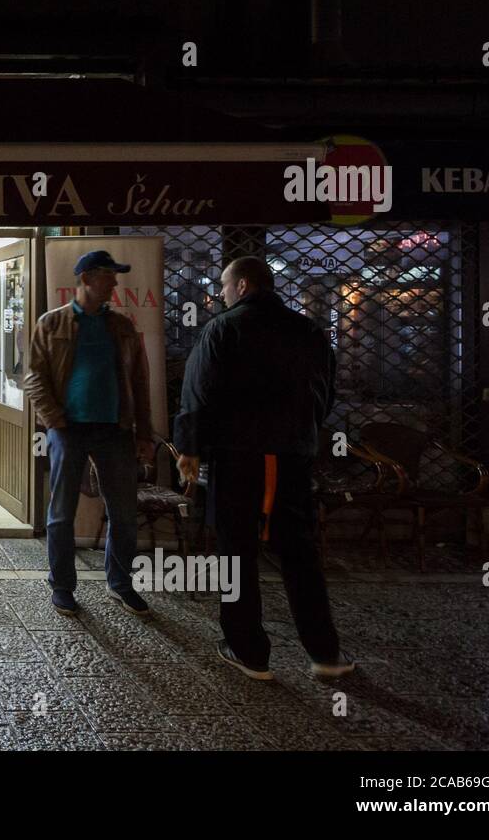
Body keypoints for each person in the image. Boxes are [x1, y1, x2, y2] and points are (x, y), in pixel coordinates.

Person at [174, 256, 355, 680]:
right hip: (293, 456)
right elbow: (325, 394)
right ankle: (325, 653)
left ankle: (247, 649)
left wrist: (189, 447)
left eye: (223, 285)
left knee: (236, 552)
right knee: (300, 553)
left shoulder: (223, 328)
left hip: (240, 457)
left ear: (241, 285)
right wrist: (302, 433)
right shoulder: (308, 331)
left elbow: (199, 392)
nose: (219, 293)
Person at [26, 250, 154, 616]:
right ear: (85, 278)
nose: (114, 283)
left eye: (115, 276)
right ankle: (63, 586)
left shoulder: (123, 327)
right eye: (108, 276)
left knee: (123, 511)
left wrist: (143, 431)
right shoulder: (51, 324)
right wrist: (54, 419)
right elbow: (34, 377)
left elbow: (139, 381)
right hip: (68, 429)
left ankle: (120, 582)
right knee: (61, 512)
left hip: (115, 429)